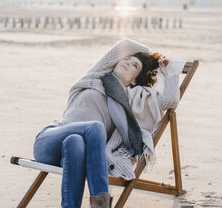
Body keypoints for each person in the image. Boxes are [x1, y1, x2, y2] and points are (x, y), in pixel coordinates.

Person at [33, 38, 180, 208]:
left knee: (75, 141)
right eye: (127, 59)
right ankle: (101, 205)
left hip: (74, 154)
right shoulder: (96, 77)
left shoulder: (131, 101)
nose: (127, 62)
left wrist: (167, 71)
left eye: (134, 66)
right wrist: (150, 57)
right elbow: (124, 45)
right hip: (49, 142)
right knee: (95, 128)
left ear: (134, 80)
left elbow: (169, 101)